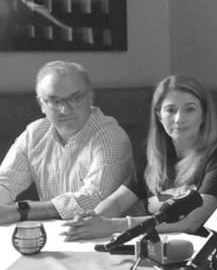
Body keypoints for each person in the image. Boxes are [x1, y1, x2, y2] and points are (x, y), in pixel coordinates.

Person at [63, 75, 217, 240]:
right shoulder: (155, 155)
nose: (179, 118)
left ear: (204, 115)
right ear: (159, 115)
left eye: (190, 109)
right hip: (158, 248)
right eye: (170, 110)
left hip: (200, 253)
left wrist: (114, 225)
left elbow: (190, 223)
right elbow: (117, 202)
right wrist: (91, 220)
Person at [0, 60, 132, 224]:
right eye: (55, 101)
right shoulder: (35, 134)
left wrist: (21, 211)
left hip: (106, 234)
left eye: (75, 98)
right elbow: (5, 182)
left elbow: (94, 198)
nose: (65, 110)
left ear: (90, 98)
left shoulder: (110, 136)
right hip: (53, 233)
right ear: (42, 104)